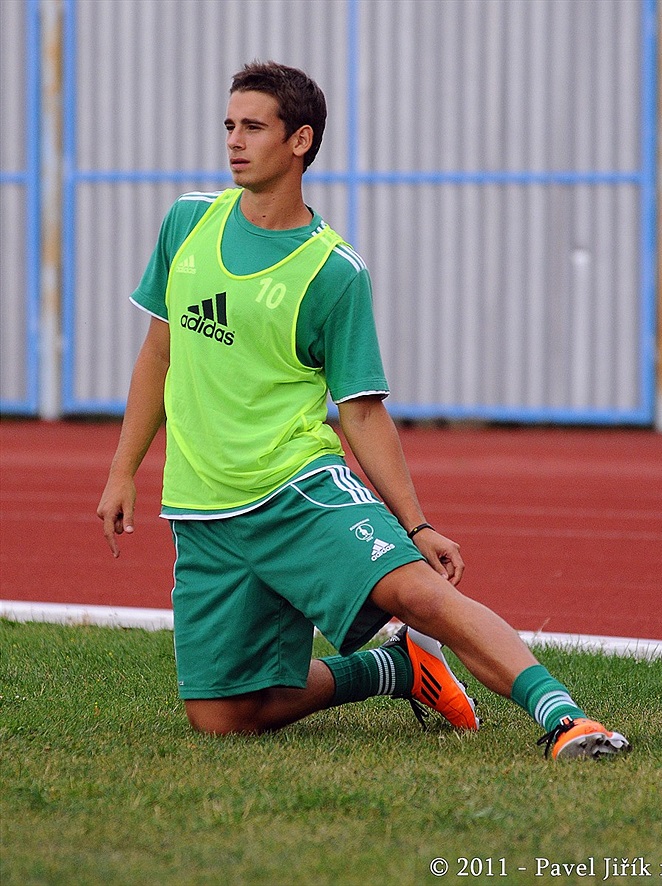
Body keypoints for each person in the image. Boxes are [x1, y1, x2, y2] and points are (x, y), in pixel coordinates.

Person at [97, 60, 630, 761]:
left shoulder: (333, 272)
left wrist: (416, 523)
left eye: (253, 126)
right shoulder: (187, 222)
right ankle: (395, 668)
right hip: (203, 511)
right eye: (229, 125)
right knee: (222, 717)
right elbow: (156, 355)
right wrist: (121, 470)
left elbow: (362, 411)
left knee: (421, 594)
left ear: (299, 141)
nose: (234, 140)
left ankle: (569, 722)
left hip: (296, 489)